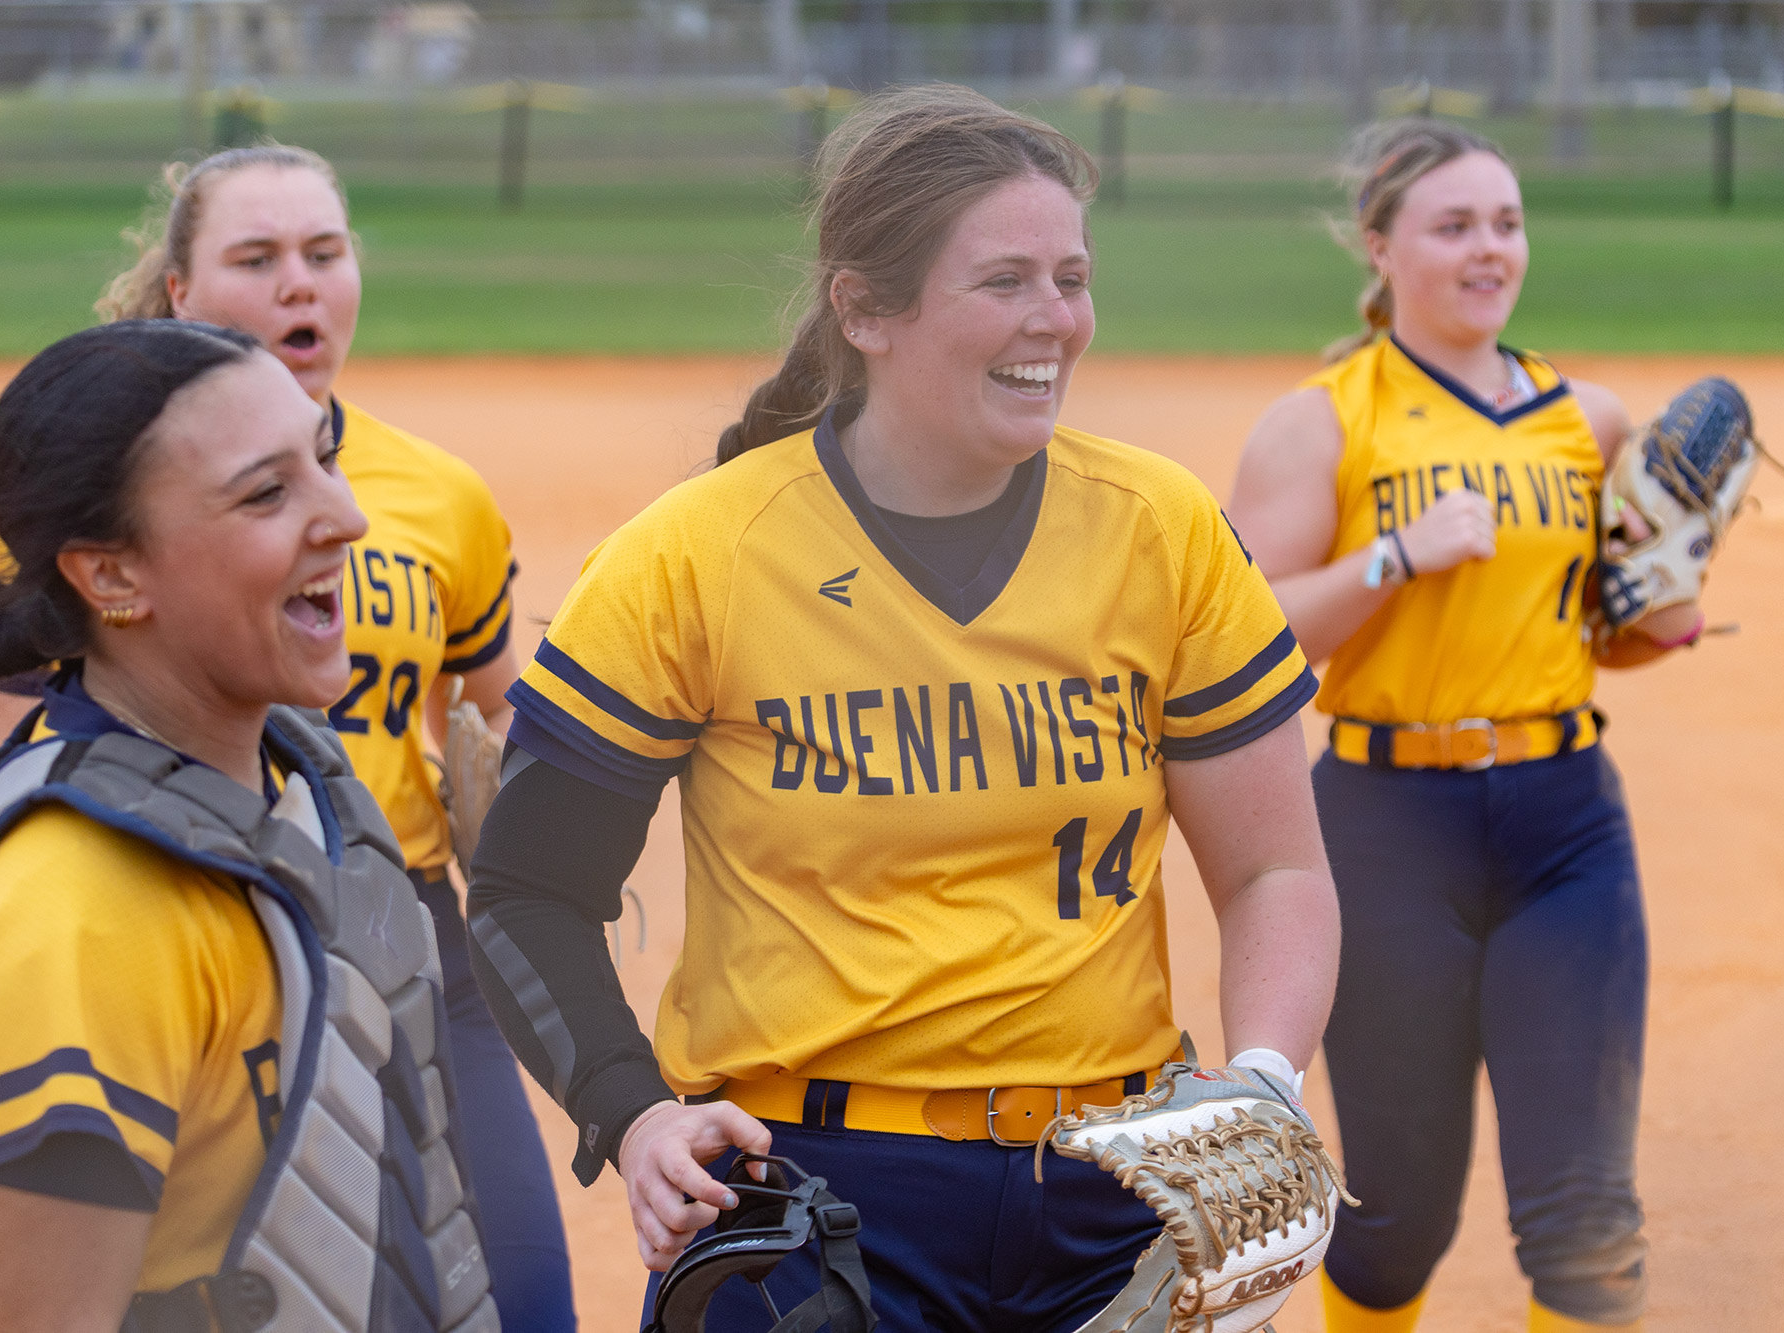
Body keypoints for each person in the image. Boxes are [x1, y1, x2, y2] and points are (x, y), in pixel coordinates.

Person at [462, 85, 1341, 1331]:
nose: (1057, 321)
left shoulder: (1163, 529)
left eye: (1072, 277)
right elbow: (525, 890)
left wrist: (1261, 1079)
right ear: (863, 308)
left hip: (1111, 1191)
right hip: (810, 1196)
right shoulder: (697, 554)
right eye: (1005, 282)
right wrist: (633, 1108)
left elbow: (1271, 872)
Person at [0, 144, 575, 1328]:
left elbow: (498, 710)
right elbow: (29, 753)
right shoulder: (99, 495)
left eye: (325, 251)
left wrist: (520, 822)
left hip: (405, 924)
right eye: (258, 258)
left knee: (513, 1293)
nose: (302, 284)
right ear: (180, 292)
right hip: (205, 911)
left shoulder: (440, 493)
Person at [1225, 120, 1700, 1333]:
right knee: (1393, 1225)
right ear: (1379, 249)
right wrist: (1392, 553)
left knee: (1585, 1216)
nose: (1489, 248)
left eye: (1505, 222)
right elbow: (1243, 637)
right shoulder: (1322, 421)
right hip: (1386, 832)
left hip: (1564, 823)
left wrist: (1659, 614)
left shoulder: (1585, 422)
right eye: (1454, 226)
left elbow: (1596, 635)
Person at [0, 320, 496, 1332]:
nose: (349, 517)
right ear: (111, 576)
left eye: (323, 459)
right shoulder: (80, 915)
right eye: (265, 492)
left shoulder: (304, 778)